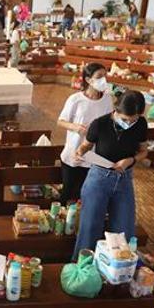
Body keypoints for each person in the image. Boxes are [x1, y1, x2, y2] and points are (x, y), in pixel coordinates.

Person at [72, 91, 148, 258]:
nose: (129, 123)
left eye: (133, 119)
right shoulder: (100, 124)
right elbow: (85, 146)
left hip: (124, 179)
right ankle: (82, 266)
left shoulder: (141, 124)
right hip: (99, 178)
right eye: (125, 119)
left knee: (124, 229)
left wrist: (130, 160)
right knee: (90, 227)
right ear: (116, 110)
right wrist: (79, 152)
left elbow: (143, 152)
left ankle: (116, 270)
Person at [57, 62, 114, 204]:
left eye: (105, 76)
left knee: (86, 193)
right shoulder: (76, 99)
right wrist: (76, 127)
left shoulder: (107, 99)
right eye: (99, 77)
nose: (104, 80)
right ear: (88, 80)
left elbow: (110, 122)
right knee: (68, 192)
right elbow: (61, 121)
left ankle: (80, 222)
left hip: (94, 155)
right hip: (73, 152)